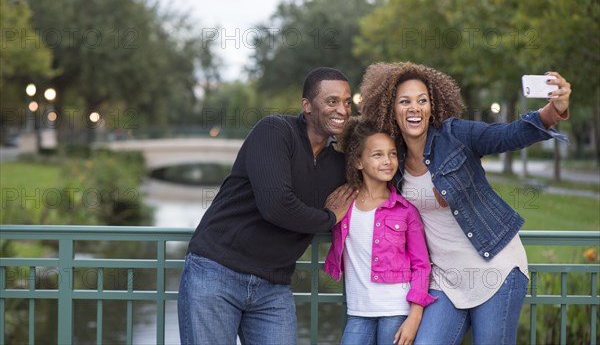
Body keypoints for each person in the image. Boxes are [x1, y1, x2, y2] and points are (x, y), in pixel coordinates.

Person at [358, 62, 571, 345]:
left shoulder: (455, 134)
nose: (415, 108)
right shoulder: (393, 160)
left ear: (431, 106)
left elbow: (507, 135)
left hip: (495, 267)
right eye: (405, 101)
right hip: (445, 280)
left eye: (422, 100)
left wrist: (552, 111)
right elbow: (362, 173)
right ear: (391, 109)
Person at [178, 67, 358, 345]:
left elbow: (376, 181)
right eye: (332, 101)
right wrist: (329, 218)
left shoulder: (337, 163)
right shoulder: (275, 131)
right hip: (216, 271)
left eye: (347, 102)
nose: (343, 110)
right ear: (307, 106)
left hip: (273, 287)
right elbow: (276, 206)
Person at [324, 118, 436, 345]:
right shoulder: (344, 204)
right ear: (358, 162)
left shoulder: (406, 211)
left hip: (396, 310)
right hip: (358, 311)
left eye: (392, 154)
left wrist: (415, 316)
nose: (387, 161)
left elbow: (422, 266)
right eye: (377, 155)